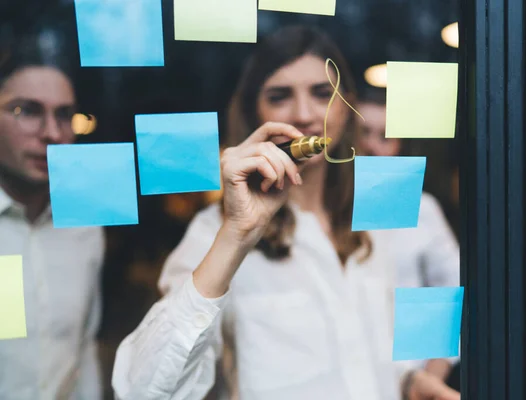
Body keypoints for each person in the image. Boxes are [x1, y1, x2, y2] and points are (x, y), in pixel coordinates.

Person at [112, 25, 459, 400]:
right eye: (280, 97)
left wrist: (407, 381)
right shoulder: (217, 230)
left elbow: (367, 348)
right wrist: (237, 235)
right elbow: (144, 391)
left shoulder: (374, 216)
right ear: (253, 112)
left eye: (323, 94)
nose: (306, 114)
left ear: (346, 107)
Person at [0, 30, 105, 399]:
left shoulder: (85, 227)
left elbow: (84, 349)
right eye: (26, 111)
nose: (51, 133)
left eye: (65, 116)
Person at [357, 86, 460, 385]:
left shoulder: (419, 208)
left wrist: (432, 375)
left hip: (408, 378)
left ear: (399, 144)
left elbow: (449, 290)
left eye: (384, 136)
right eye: (363, 133)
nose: (372, 146)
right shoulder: (322, 208)